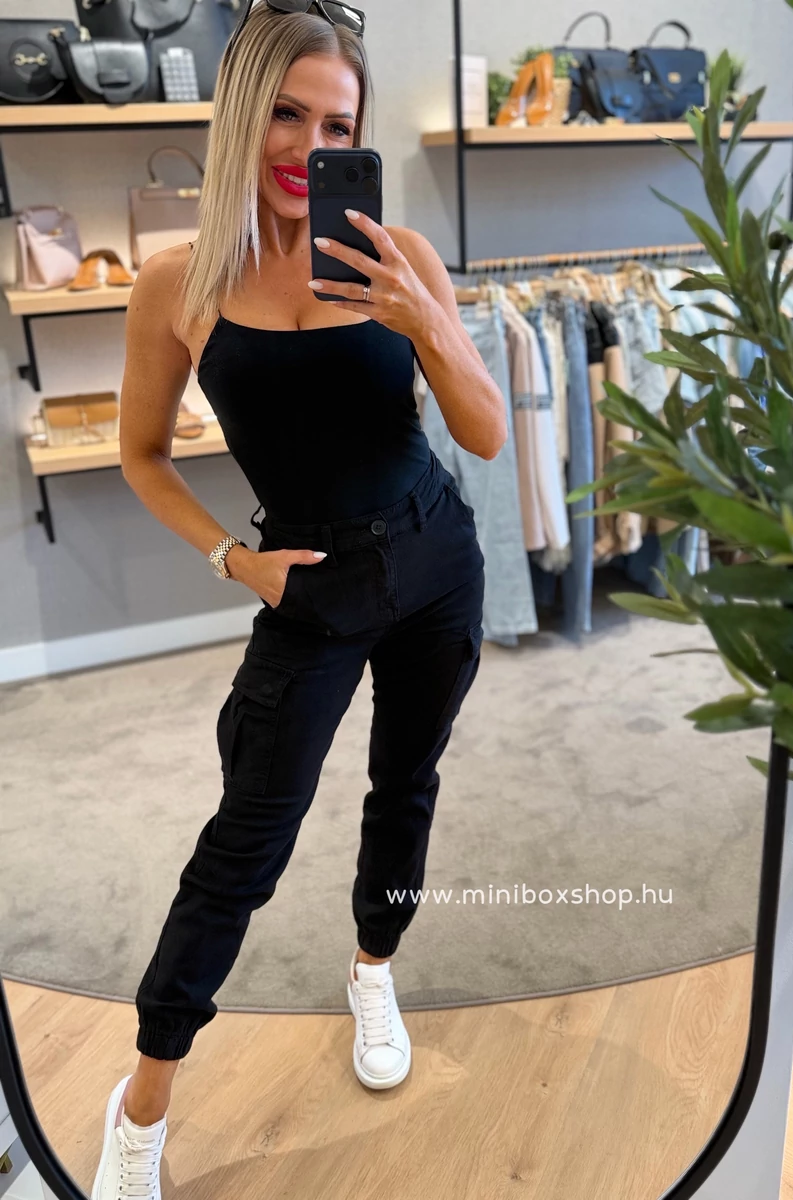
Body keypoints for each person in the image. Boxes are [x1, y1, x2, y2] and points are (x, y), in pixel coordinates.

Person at [90, 2, 506, 1196]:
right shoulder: (176, 284)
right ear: (239, 110)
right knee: (245, 842)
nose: (308, 146)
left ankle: (374, 970)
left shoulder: (395, 253)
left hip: (435, 557)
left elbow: (482, 431)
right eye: (286, 112)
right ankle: (143, 1104)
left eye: (337, 126)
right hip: (307, 586)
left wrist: (423, 319)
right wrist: (236, 559)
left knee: (405, 784)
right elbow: (142, 456)